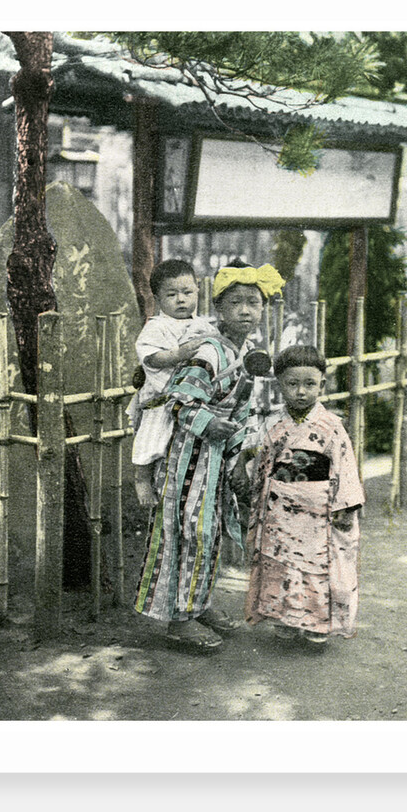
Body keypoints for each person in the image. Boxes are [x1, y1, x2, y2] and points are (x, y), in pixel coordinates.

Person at [134, 261, 286, 649]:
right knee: (188, 532)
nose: (246, 311)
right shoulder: (209, 349)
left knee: (210, 533)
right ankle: (178, 620)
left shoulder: (248, 351)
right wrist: (208, 424)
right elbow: (181, 401)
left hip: (218, 455)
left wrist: (238, 457)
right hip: (187, 455)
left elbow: (244, 410)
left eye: (254, 303)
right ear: (219, 309)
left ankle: (198, 605)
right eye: (236, 302)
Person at [244, 344, 365, 645]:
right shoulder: (273, 422)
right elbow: (261, 462)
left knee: (316, 569)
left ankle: (315, 624)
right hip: (279, 510)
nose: (301, 391)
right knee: (281, 564)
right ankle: (285, 618)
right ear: (280, 384)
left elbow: (345, 466)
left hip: (318, 511)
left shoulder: (332, 427)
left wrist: (345, 506)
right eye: (292, 384)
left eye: (309, 384)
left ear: (322, 385)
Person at [126, 259, 217, 507]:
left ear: (197, 291)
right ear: (157, 298)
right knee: (152, 437)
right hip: (162, 395)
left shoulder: (203, 326)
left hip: (193, 395)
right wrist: (178, 353)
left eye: (187, 292)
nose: (180, 299)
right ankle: (142, 478)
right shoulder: (157, 327)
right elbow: (151, 358)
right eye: (172, 294)